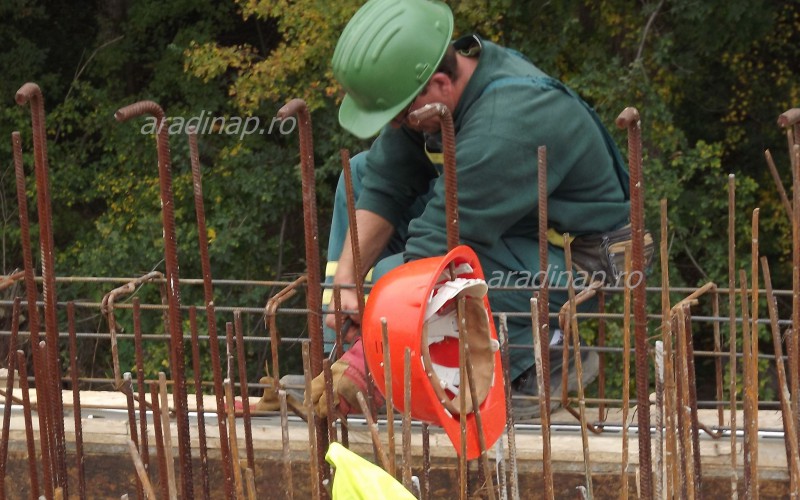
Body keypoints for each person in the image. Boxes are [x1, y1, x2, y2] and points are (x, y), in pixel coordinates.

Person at [310, 0, 630, 420]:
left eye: (400, 116)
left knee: (397, 276)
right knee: (360, 175)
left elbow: (430, 249)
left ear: (440, 83)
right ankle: (342, 350)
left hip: (584, 262)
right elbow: (386, 181)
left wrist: (368, 360)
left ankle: (544, 361)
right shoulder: (444, 86)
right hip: (514, 230)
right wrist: (346, 287)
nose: (395, 126)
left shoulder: (508, 124)